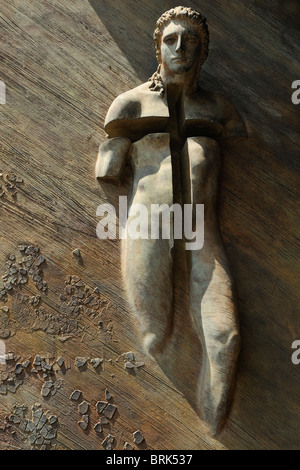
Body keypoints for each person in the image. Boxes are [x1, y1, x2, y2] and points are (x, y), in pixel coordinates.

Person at [96, 6, 247, 435]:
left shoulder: (222, 111)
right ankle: (151, 433)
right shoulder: (129, 105)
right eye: (171, 40)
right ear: (158, 47)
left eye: (190, 42)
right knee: (154, 337)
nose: (180, 49)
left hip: (203, 234)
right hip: (148, 225)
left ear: (202, 52)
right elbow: (107, 170)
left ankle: (213, 438)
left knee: (225, 339)